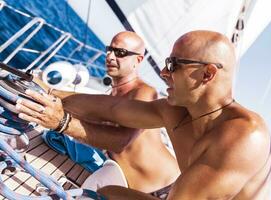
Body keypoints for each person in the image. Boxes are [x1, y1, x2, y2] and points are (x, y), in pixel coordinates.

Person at [16, 30, 271, 200]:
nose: (162, 72)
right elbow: (111, 109)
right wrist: (49, 94)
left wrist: (62, 122)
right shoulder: (177, 111)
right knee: (108, 192)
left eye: (173, 64)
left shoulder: (246, 136)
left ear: (207, 74)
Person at [18, 31, 180, 198]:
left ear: (138, 60)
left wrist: (62, 122)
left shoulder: (145, 92)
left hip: (167, 190)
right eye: (109, 49)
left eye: (120, 53)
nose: (110, 56)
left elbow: (121, 141)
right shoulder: (114, 95)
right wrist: (43, 88)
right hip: (124, 180)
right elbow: (86, 105)